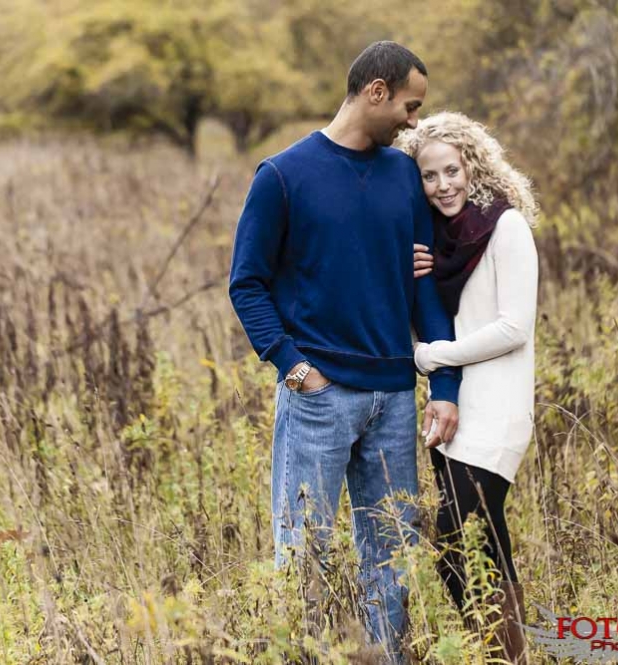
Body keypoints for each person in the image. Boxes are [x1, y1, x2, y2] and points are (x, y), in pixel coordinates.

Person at [228, 42, 461, 663]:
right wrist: (294, 367)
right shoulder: (282, 176)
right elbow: (245, 283)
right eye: (411, 106)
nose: (414, 122)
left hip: (393, 399)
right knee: (302, 550)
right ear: (376, 92)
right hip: (318, 399)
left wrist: (443, 387)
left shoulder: (402, 176)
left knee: (392, 555)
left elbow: (422, 287)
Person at [397, 111, 539, 664]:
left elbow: (513, 327)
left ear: (472, 165)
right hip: (455, 408)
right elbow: (436, 314)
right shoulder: (439, 243)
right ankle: (506, 652)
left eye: (451, 171)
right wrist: (420, 274)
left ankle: (505, 653)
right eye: (429, 177)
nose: (443, 186)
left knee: (461, 537)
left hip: (499, 408)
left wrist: (435, 357)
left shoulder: (506, 227)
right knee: (476, 544)